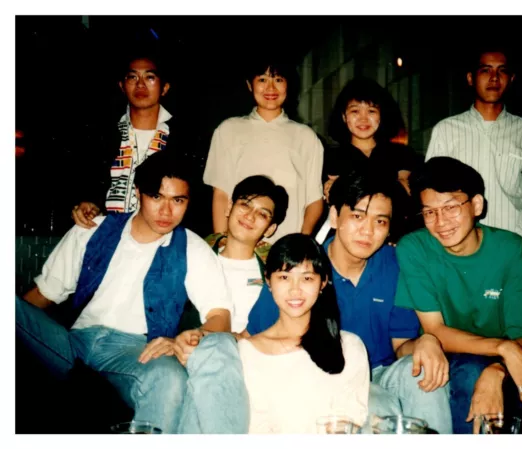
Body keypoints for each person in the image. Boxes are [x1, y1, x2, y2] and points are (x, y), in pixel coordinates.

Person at [15, 151, 233, 434]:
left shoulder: (192, 248)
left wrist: (190, 336)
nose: (167, 212)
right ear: (139, 192)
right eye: (157, 197)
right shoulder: (93, 229)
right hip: (72, 341)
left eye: (178, 200)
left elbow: (221, 316)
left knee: (170, 378)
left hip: (136, 351)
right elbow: (42, 294)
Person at [246, 170, 453, 434]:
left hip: (380, 373)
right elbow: (253, 338)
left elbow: (401, 346)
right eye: (357, 216)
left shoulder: (395, 265)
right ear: (334, 216)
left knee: (428, 374)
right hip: (321, 371)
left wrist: (427, 341)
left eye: (380, 221)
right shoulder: (302, 269)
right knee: (374, 406)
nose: (367, 231)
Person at [394, 156, 522, 434]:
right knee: (471, 373)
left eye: (450, 208)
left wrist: (497, 367)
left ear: (477, 205)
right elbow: (436, 331)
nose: (440, 222)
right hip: (450, 354)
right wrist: (503, 349)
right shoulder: (415, 248)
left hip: (502, 358)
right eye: (429, 212)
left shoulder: (512, 250)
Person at [425, 47, 522, 268]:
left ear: (511, 78)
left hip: (517, 242)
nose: (494, 78)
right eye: (485, 70)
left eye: (502, 71)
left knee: (518, 303)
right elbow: (431, 191)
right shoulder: (446, 130)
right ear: (471, 78)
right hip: (461, 246)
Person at [242, 233, 369, 433]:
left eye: (307, 278)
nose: (295, 290)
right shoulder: (247, 352)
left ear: (323, 283)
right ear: (268, 281)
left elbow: (350, 422)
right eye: (284, 277)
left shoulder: (349, 347)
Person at [202, 56, 324, 243]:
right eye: (262, 80)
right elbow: (221, 194)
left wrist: (301, 244)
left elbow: (314, 201)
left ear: (288, 85)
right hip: (237, 245)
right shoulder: (228, 130)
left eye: (278, 80)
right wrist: (221, 241)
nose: (270, 88)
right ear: (250, 85)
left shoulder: (306, 137)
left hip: (286, 249)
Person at [70, 49, 193, 230]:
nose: (140, 85)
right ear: (122, 85)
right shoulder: (102, 135)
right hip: (107, 233)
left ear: (164, 88)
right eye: (132, 77)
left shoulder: (183, 138)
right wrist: (88, 205)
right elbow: (88, 185)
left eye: (149, 77)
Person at [180, 175, 289, 344]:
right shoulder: (193, 256)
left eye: (262, 214)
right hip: (190, 349)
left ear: (270, 229)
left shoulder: (276, 275)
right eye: (245, 204)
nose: (250, 216)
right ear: (229, 207)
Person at [324, 77, 420, 200]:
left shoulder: (403, 155)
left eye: (371, 111)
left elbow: (406, 192)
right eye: (355, 111)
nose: (363, 119)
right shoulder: (331, 158)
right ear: (343, 116)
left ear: (381, 116)